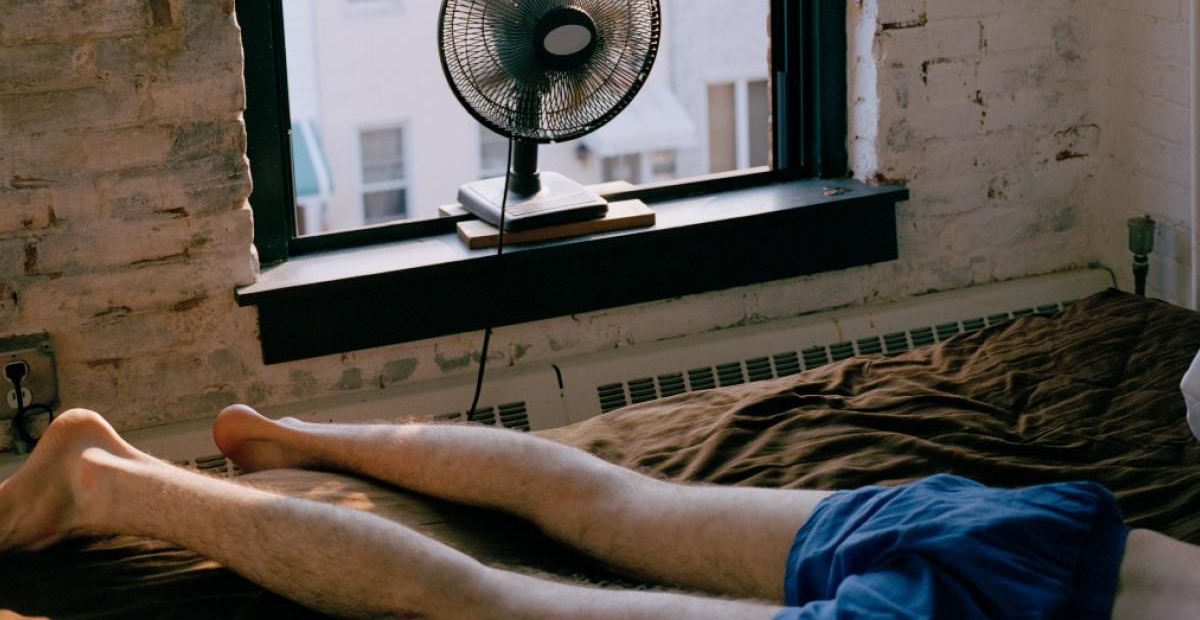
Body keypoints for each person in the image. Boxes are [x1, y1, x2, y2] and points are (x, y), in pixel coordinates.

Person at [0, 406, 1196, 619]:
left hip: (1036, 527)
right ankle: (106, 483)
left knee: (610, 496)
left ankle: (285, 436)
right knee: (479, 603)